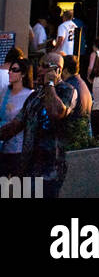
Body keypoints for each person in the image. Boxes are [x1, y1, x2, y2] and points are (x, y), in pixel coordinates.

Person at [0, 51, 77, 197]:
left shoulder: (67, 91)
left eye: (44, 66)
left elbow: (57, 112)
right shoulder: (35, 96)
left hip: (50, 170)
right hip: (29, 166)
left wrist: (50, 83)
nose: (39, 70)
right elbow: (16, 124)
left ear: (57, 70)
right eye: (39, 66)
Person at [0, 56, 32, 178]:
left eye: (14, 70)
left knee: (18, 188)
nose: (10, 72)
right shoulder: (4, 91)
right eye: (10, 69)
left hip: (18, 149)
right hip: (3, 148)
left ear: (23, 74)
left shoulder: (29, 95)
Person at [61, 55, 92, 141]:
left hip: (72, 137)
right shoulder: (82, 84)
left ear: (65, 70)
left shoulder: (68, 87)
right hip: (83, 135)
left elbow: (61, 113)